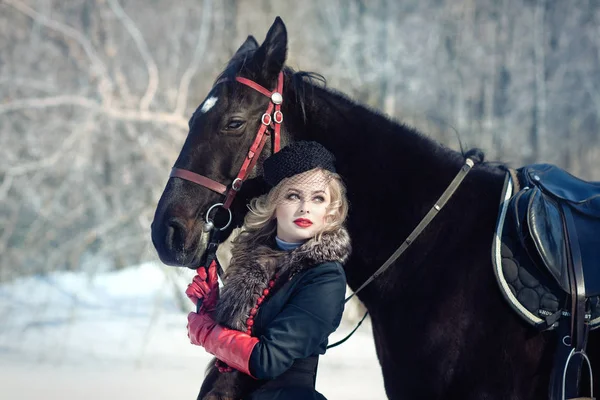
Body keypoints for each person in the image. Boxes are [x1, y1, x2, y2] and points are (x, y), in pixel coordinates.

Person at [185, 141, 351, 400]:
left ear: (330, 213)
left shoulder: (324, 277)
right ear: (274, 204)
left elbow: (267, 359)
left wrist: (207, 333)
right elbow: (236, 341)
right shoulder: (251, 263)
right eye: (293, 195)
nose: (305, 207)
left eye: (318, 198)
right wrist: (211, 308)